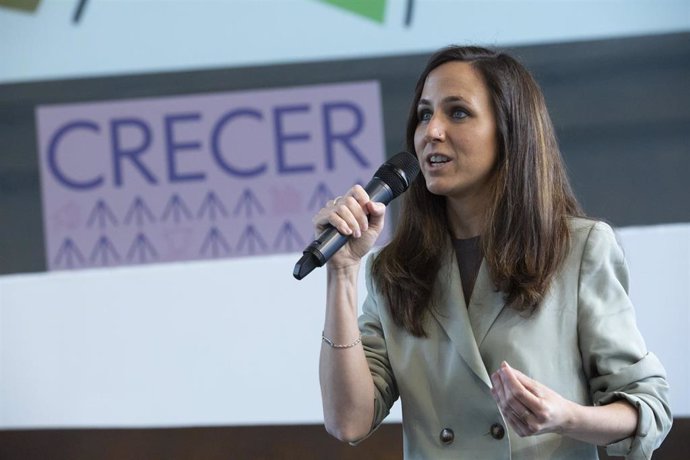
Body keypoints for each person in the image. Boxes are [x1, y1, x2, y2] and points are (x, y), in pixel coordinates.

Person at [314, 45, 672, 459]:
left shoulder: (578, 249)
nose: (432, 131)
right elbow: (348, 421)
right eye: (425, 114)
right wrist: (342, 272)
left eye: (458, 112)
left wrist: (566, 416)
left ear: (509, 130)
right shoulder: (393, 270)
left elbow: (648, 408)